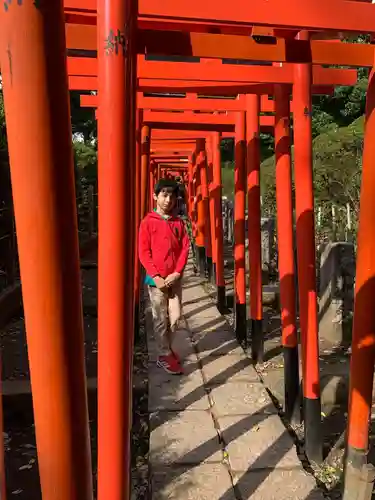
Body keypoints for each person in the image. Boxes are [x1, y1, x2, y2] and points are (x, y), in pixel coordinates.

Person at [138, 178, 190, 374]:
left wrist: (177, 272)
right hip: (155, 280)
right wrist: (156, 276)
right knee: (160, 318)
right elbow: (144, 252)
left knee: (175, 317)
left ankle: (167, 348)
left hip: (174, 278)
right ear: (155, 196)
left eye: (172, 196)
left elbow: (185, 248)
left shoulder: (178, 223)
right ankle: (163, 354)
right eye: (164, 195)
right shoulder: (147, 222)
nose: (168, 200)